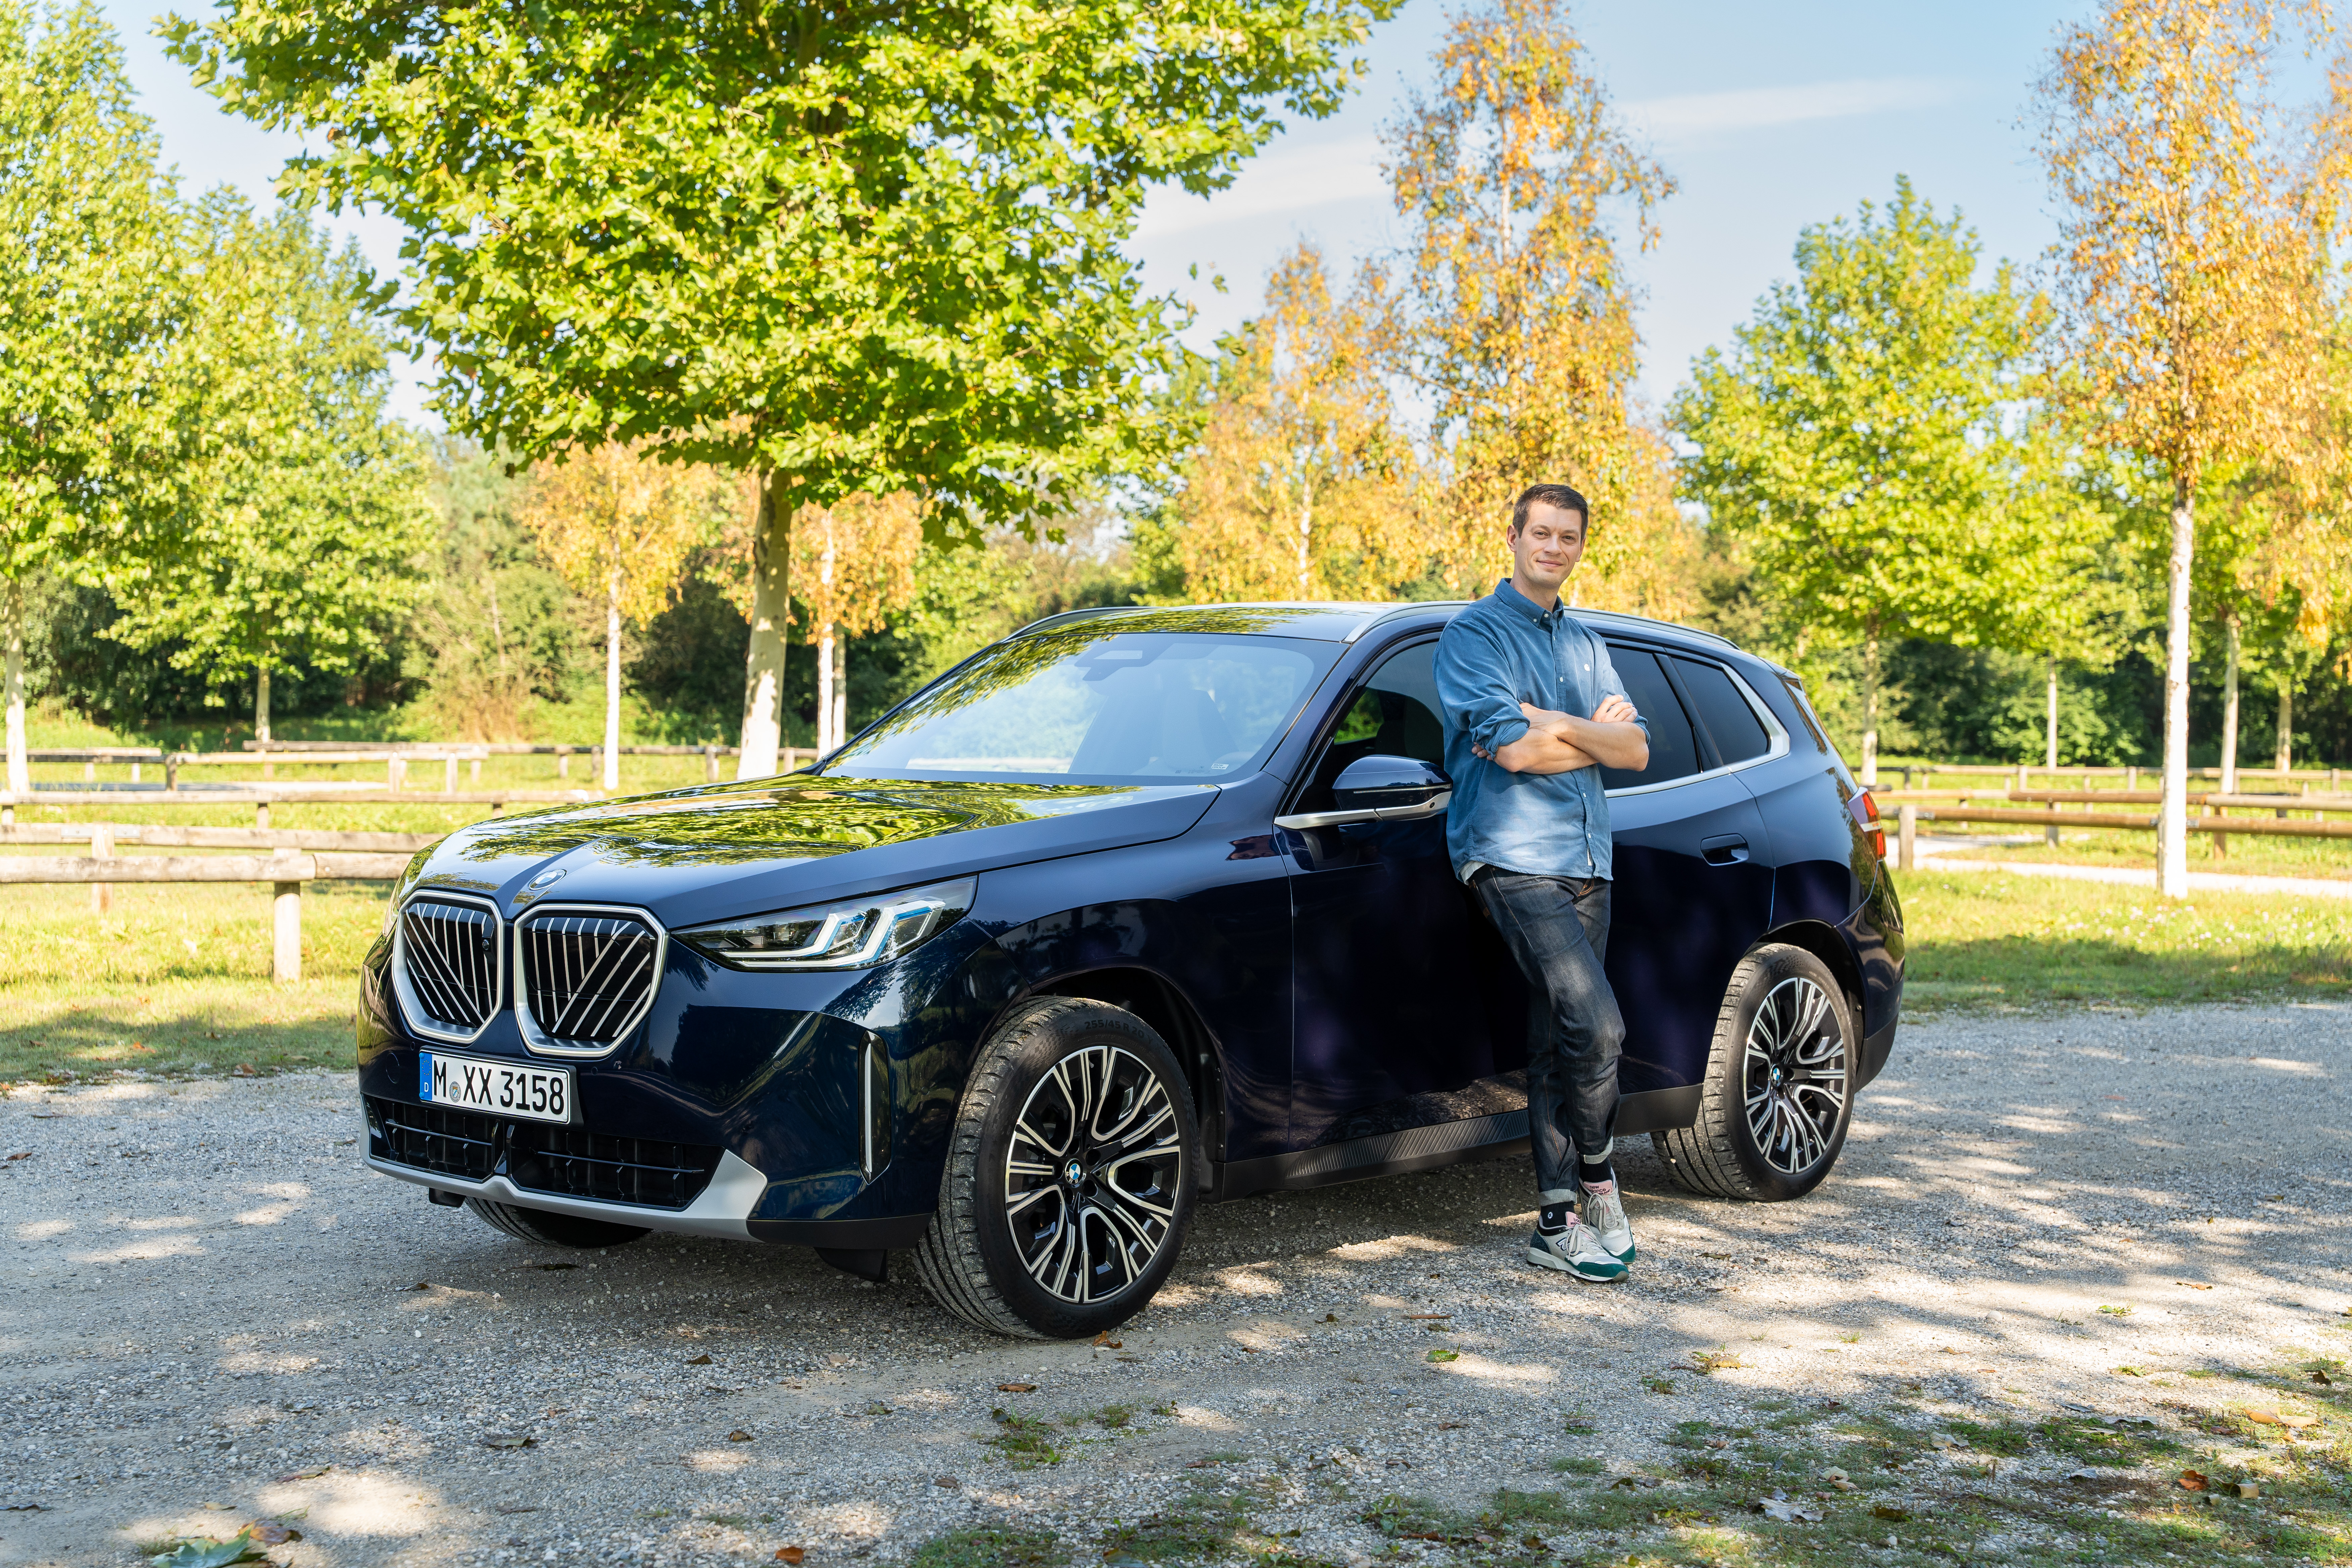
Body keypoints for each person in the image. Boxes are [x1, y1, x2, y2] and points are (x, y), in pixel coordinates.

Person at [1433, 483, 1650, 1282]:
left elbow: (1639, 753)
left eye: (1568, 537)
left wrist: (1551, 722)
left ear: (1580, 546)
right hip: (1512, 855)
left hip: (1590, 858)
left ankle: (1557, 1217)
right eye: (1542, 534)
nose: (1554, 548)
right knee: (1597, 1026)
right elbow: (1510, 751)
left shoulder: (1587, 642)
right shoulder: (1473, 635)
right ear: (1515, 537)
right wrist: (1594, 734)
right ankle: (1599, 1171)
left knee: (1557, 1036)